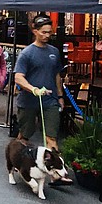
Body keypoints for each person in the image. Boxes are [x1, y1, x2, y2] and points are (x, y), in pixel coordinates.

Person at [14, 14, 72, 185]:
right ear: (35, 31)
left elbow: (57, 76)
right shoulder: (27, 53)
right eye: (44, 32)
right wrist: (33, 89)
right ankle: (19, 162)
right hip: (29, 101)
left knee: (51, 137)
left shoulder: (54, 52)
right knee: (25, 136)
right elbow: (18, 77)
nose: (47, 35)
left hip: (50, 101)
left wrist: (60, 96)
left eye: (49, 32)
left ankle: (56, 174)